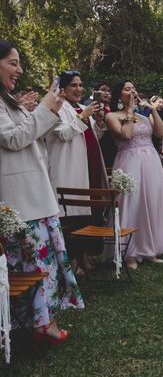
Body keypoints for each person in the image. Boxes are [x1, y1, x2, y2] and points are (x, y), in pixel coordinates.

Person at [0, 41, 83, 347]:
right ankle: (40, 325)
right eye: (12, 63)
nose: (19, 70)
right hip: (21, 200)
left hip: (34, 195)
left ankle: (42, 323)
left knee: (39, 266)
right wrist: (46, 108)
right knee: (32, 266)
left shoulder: (8, 101)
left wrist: (49, 108)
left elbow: (30, 135)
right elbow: (13, 139)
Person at [106, 81, 163, 269]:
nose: (132, 91)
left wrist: (152, 110)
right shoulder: (112, 116)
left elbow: (161, 132)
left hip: (151, 163)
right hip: (129, 162)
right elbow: (126, 135)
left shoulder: (142, 115)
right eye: (127, 89)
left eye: (133, 88)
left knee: (151, 202)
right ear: (119, 95)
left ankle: (151, 250)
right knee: (133, 204)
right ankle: (129, 253)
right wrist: (130, 111)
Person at [45, 70, 107, 275]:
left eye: (81, 85)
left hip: (87, 165)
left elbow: (90, 135)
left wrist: (97, 122)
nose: (79, 89)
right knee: (70, 215)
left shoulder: (82, 108)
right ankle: (71, 259)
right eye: (74, 85)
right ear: (62, 89)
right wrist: (84, 116)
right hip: (67, 167)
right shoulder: (56, 108)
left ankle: (84, 254)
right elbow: (63, 133)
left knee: (84, 213)